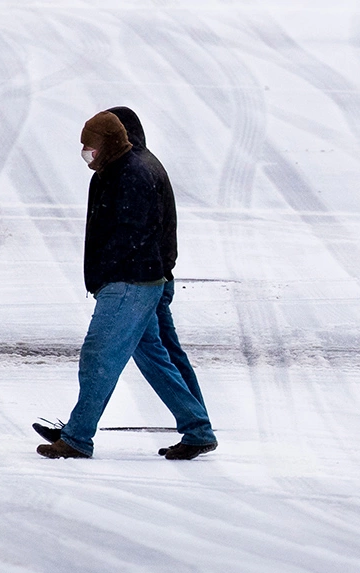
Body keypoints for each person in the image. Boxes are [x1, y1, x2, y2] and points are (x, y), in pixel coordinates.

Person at [34, 111, 217, 460]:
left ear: (111, 142)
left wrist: (119, 281)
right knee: (156, 358)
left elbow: (137, 238)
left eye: (91, 145)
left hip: (130, 283)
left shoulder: (132, 174)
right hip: (137, 282)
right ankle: (197, 428)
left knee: (99, 356)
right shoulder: (116, 171)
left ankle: (76, 437)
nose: (86, 152)